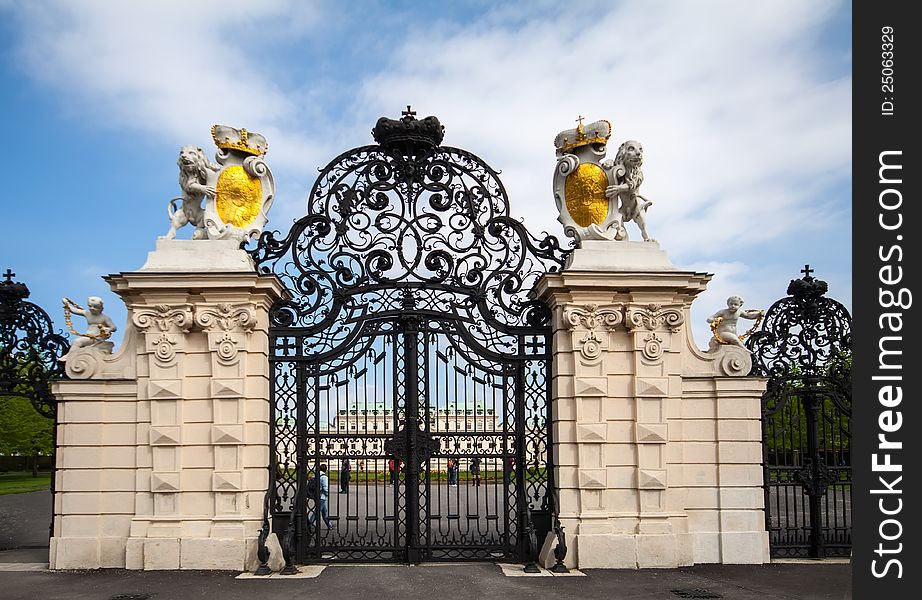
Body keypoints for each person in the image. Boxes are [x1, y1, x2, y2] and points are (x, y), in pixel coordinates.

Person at [307, 464, 333, 529]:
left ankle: (329, 525)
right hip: (321, 496)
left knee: (324, 511)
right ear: (326, 470)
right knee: (317, 512)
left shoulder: (315, 475)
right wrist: (327, 494)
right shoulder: (324, 477)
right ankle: (309, 524)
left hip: (315, 495)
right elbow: (325, 488)